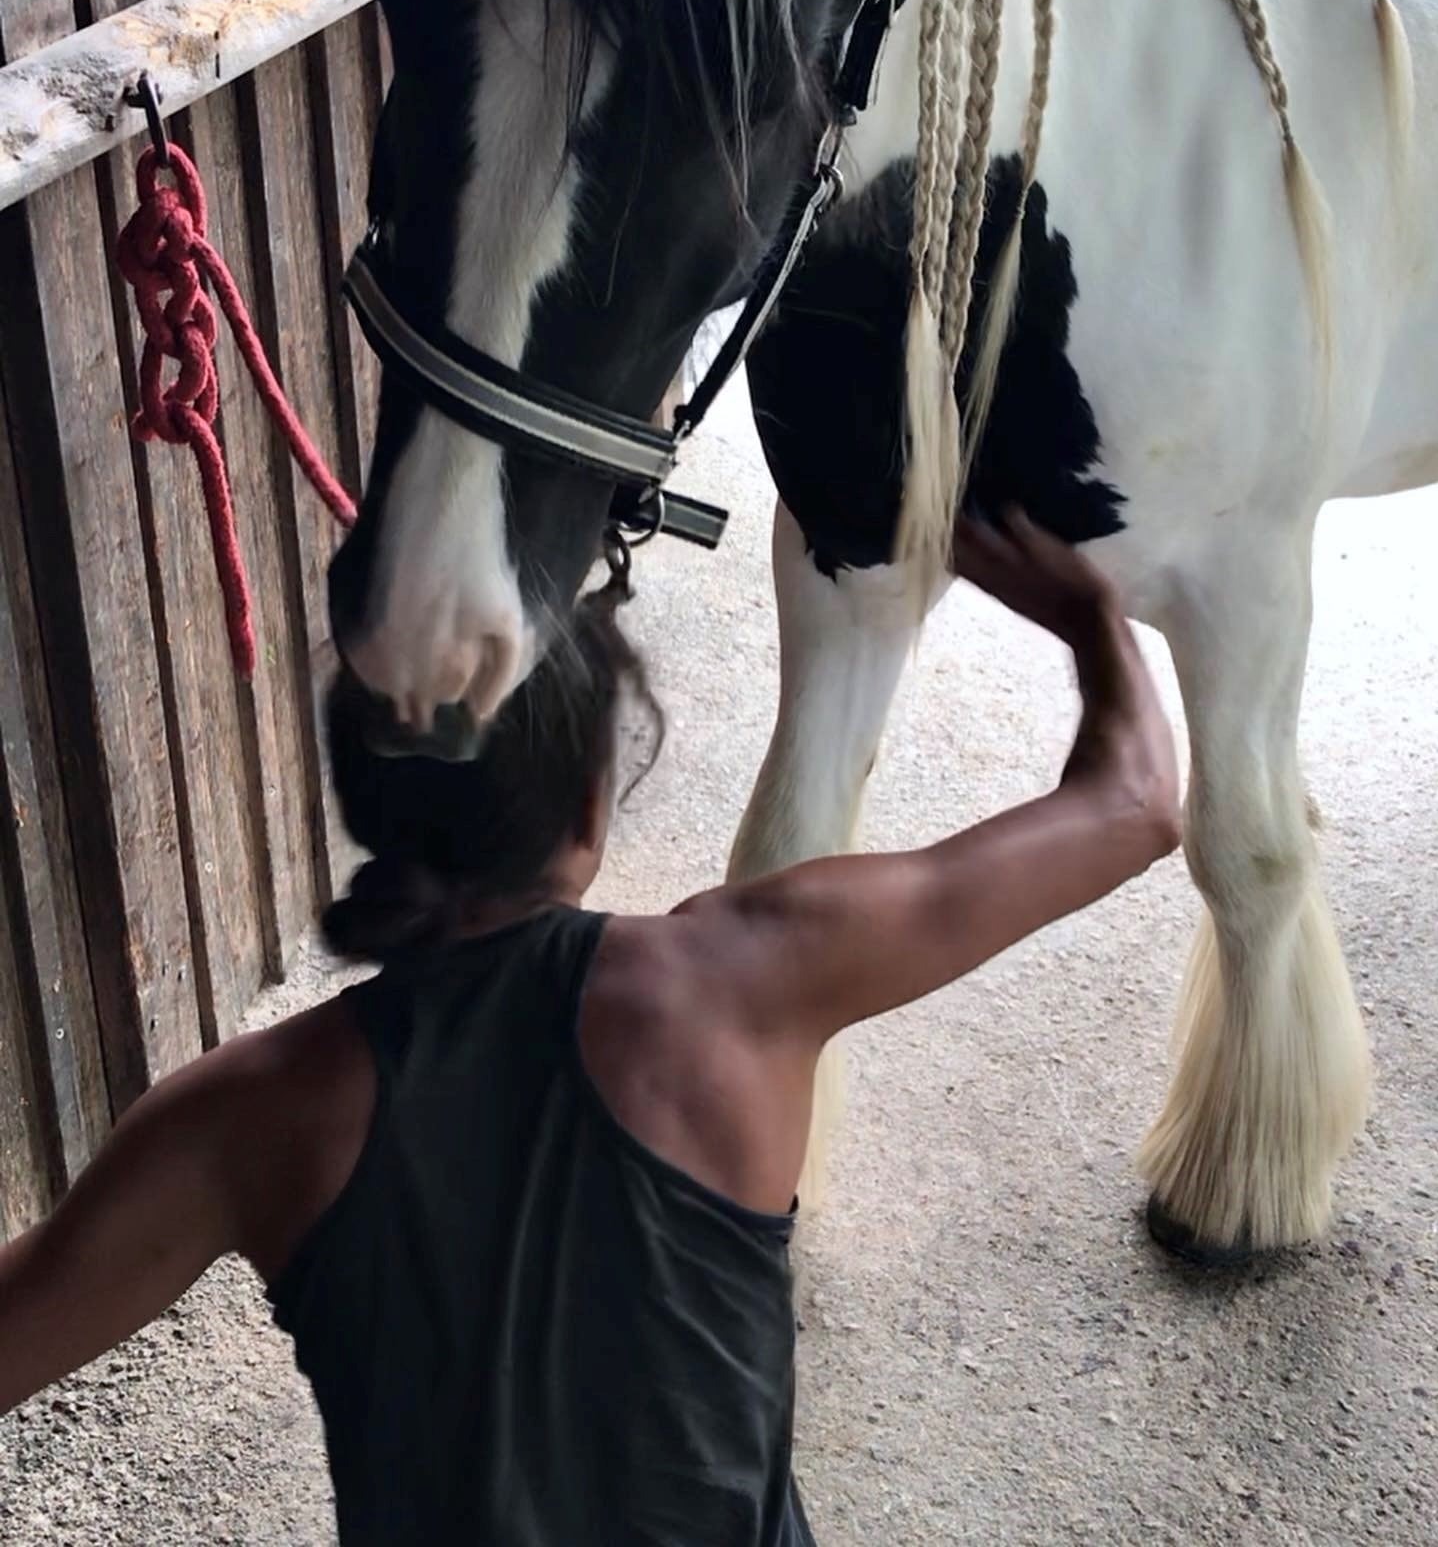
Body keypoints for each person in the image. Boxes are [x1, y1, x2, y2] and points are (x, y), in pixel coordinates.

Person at [0, 511, 1181, 1546]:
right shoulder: (747, 977)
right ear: (586, 803)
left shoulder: (248, 1112)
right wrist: (1091, 618)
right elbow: (1135, 803)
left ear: (369, 809)